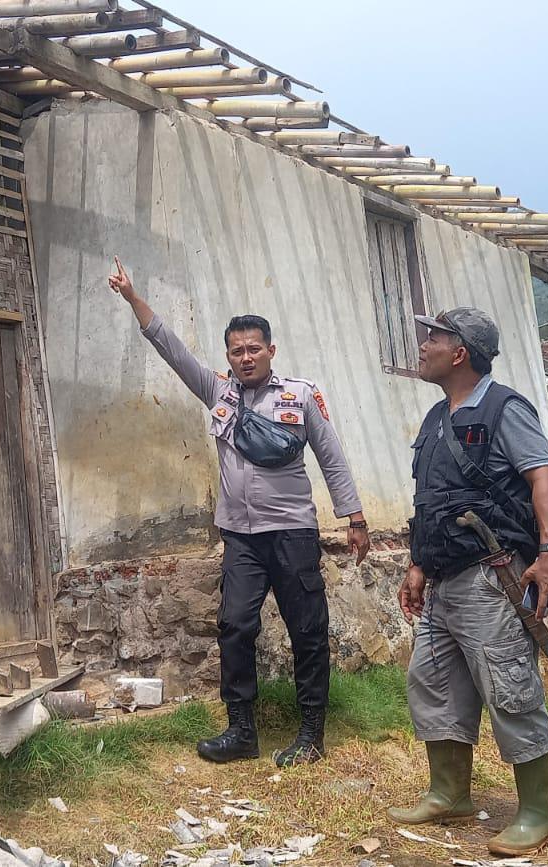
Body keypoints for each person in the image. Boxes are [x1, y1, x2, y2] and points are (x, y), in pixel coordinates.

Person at [108, 258, 370, 767]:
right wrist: (133, 298)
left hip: (292, 533)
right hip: (242, 538)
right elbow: (170, 347)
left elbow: (331, 457)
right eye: (237, 351)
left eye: (254, 349)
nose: (246, 357)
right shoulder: (218, 391)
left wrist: (354, 519)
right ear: (227, 356)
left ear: (271, 351)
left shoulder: (300, 395)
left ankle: (312, 733)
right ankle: (241, 730)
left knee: (308, 631)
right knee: (235, 626)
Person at [388, 307, 548, 856]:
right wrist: (419, 564)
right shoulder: (433, 419)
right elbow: (432, 501)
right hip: (443, 580)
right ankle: (450, 794)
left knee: (509, 687)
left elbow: (543, 477)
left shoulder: (504, 408)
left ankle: (538, 811)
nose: (423, 345)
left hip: (493, 577)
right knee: (433, 682)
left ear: (460, 351)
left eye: (434, 337)